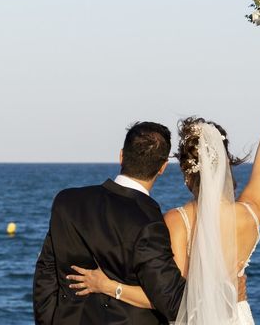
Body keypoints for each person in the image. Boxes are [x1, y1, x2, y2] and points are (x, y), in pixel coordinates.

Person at [68, 50, 260, 324]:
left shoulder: (178, 222)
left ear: (186, 174)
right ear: (225, 164)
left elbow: (166, 298)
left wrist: (106, 286)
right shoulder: (251, 214)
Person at [32, 121, 186, 324]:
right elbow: (175, 305)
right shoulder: (149, 223)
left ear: (121, 155)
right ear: (163, 167)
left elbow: (45, 275)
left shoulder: (66, 201)